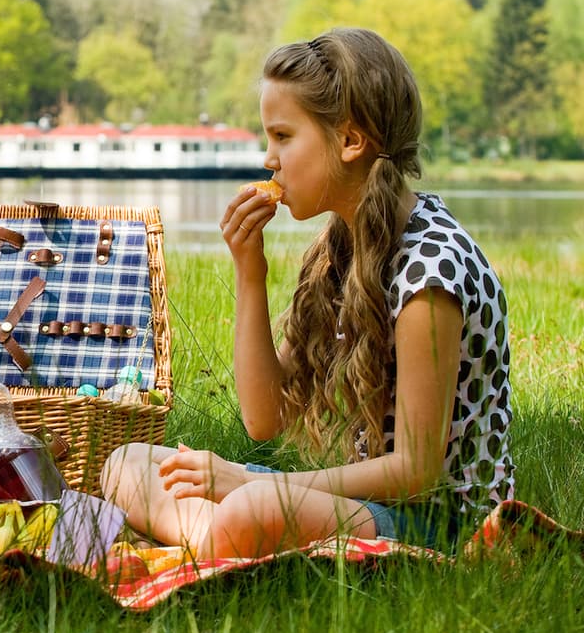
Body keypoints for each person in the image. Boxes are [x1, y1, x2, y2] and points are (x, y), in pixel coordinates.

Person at [101, 28, 514, 557]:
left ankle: (221, 534)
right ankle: (222, 537)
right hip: (357, 505)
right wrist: (249, 273)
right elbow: (263, 419)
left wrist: (250, 486)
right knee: (126, 464)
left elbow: (416, 472)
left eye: (283, 136)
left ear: (349, 141)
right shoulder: (338, 247)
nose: (269, 158)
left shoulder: (429, 272)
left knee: (252, 508)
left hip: (438, 522)